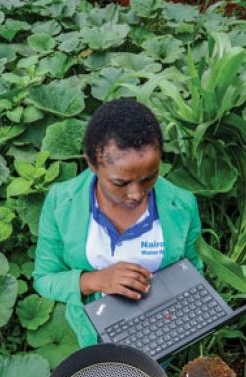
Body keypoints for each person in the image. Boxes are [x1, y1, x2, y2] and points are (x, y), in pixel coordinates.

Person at [32, 98, 204, 352]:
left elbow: (192, 268)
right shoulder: (62, 203)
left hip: (161, 333)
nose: (136, 194)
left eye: (149, 178)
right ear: (92, 164)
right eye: (120, 183)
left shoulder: (182, 206)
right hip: (92, 332)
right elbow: (44, 278)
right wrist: (94, 280)